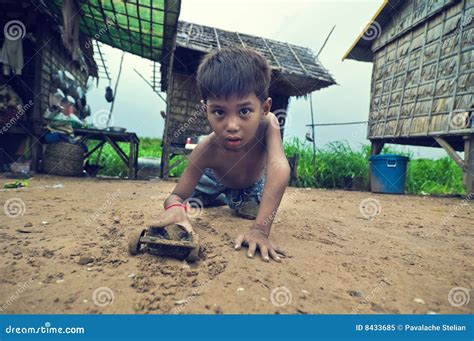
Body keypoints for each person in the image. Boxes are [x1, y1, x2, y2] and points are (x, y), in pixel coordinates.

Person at [154, 47, 290, 262]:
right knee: (192, 202)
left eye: (244, 111)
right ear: (205, 109)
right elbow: (176, 195)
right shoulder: (206, 149)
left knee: (249, 209)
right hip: (211, 180)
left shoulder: (269, 124)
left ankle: (229, 198)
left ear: (264, 108)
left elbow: (278, 166)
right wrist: (175, 209)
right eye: (219, 112)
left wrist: (260, 231)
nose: (232, 125)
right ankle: (215, 196)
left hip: (249, 187)